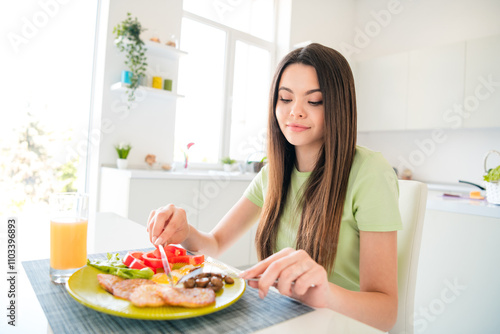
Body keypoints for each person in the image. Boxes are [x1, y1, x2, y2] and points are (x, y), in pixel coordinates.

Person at [147, 43, 402, 332]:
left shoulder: (369, 173)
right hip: (283, 320)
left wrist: (326, 293)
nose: (296, 112)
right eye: (285, 98)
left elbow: (386, 312)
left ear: (339, 105)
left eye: (314, 101)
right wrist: (186, 233)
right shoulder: (273, 174)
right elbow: (215, 244)